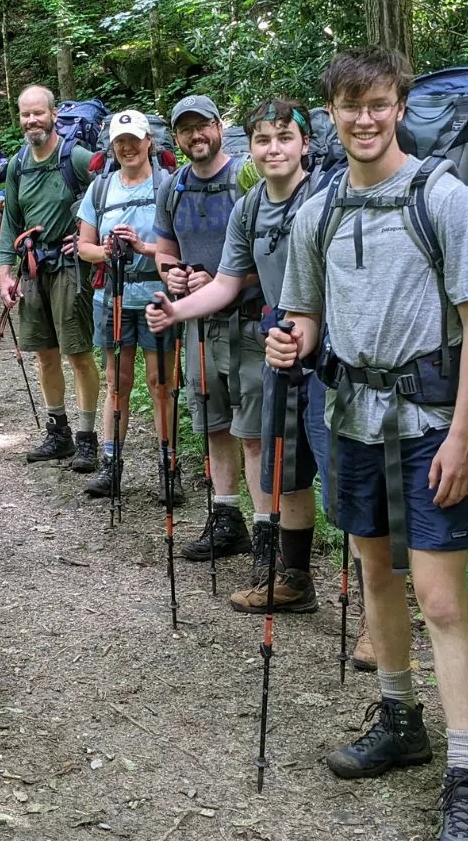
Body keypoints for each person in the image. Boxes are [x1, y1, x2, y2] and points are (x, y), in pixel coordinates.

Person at [267, 46, 468, 840]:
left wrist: (463, 434)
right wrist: (289, 345)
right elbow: (305, 317)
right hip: (351, 419)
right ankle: (401, 720)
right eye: (350, 105)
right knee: (374, 572)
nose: (366, 119)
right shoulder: (317, 209)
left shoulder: (445, 197)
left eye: (380, 103)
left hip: (430, 424)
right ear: (328, 112)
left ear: (400, 106)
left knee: (440, 597)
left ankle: (466, 777)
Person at [147, 99, 328, 611]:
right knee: (282, 464)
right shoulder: (250, 207)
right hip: (281, 348)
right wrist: (177, 310)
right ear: (251, 145)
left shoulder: (324, 199)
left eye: (284, 138)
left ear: (305, 144)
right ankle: (292, 578)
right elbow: (226, 282)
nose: (274, 148)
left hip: (330, 354)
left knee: (338, 483)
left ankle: (373, 624)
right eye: (264, 140)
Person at [154, 94, 262, 562]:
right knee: (214, 423)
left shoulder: (248, 178)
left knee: (253, 432)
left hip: (251, 322)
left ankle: (267, 535)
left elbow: (274, 252)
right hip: (198, 323)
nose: (196, 136)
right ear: (175, 137)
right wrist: (171, 273)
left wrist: (224, 279)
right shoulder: (174, 187)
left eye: (203, 126)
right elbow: (164, 249)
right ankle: (226, 518)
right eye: (186, 129)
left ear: (220, 127)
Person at [75, 111, 179, 503]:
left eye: (134, 139)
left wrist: (142, 247)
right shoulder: (100, 190)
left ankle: (169, 468)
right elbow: (84, 246)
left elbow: (180, 247)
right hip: (112, 297)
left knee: (160, 384)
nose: (128, 147)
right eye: (120, 141)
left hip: (158, 297)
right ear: (112, 146)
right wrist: (104, 251)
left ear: (149, 141)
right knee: (116, 384)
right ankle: (110, 467)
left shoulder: (168, 185)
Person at [0, 85, 103, 472]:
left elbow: (106, 193)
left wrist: (90, 238)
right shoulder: (18, 164)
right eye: (25, 115)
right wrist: (5, 272)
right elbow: (11, 220)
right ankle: (59, 432)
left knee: (77, 354)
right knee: (44, 354)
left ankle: (88, 438)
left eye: (38, 113)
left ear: (54, 115)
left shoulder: (73, 157)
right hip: (32, 270)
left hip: (71, 269)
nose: (31, 121)